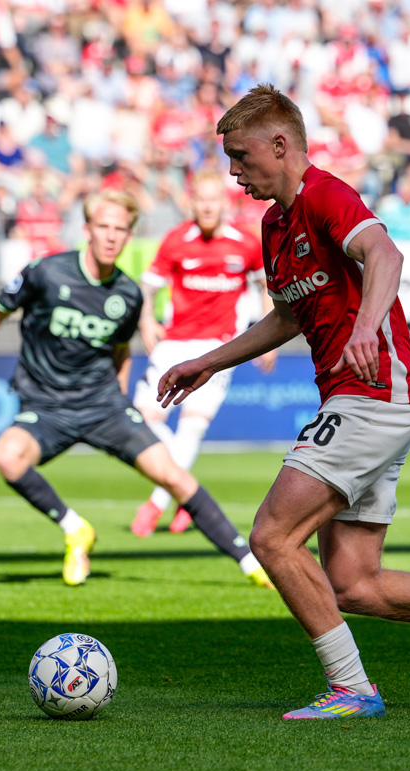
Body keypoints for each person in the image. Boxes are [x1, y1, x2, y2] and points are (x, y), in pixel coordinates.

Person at [157, 85, 410, 720]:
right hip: (359, 397)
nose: (234, 172)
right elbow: (287, 317)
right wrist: (209, 361)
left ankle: (352, 688)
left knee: (273, 538)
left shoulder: (326, 195)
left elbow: (385, 252)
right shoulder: (274, 225)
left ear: (280, 144)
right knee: (354, 583)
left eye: (241, 156)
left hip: (373, 395)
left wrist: (367, 326)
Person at [0, 189, 271, 589]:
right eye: (104, 226)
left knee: (173, 476)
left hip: (104, 407)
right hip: (47, 407)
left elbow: (120, 350)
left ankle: (251, 563)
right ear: (87, 230)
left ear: (129, 235)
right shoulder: (45, 272)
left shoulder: (127, 294)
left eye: (121, 229)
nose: (112, 236)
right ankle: (75, 528)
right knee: (7, 457)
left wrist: (120, 398)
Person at [130, 169, 275, 537]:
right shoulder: (176, 240)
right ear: (191, 202)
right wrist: (146, 321)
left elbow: (265, 288)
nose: (208, 206)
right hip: (174, 343)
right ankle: (185, 494)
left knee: (191, 426)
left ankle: (155, 504)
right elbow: (147, 287)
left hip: (219, 348)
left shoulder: (245, 243)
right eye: (201, 199)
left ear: (224, 202)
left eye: (214, 199)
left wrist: (267, 337)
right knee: (143, 421)